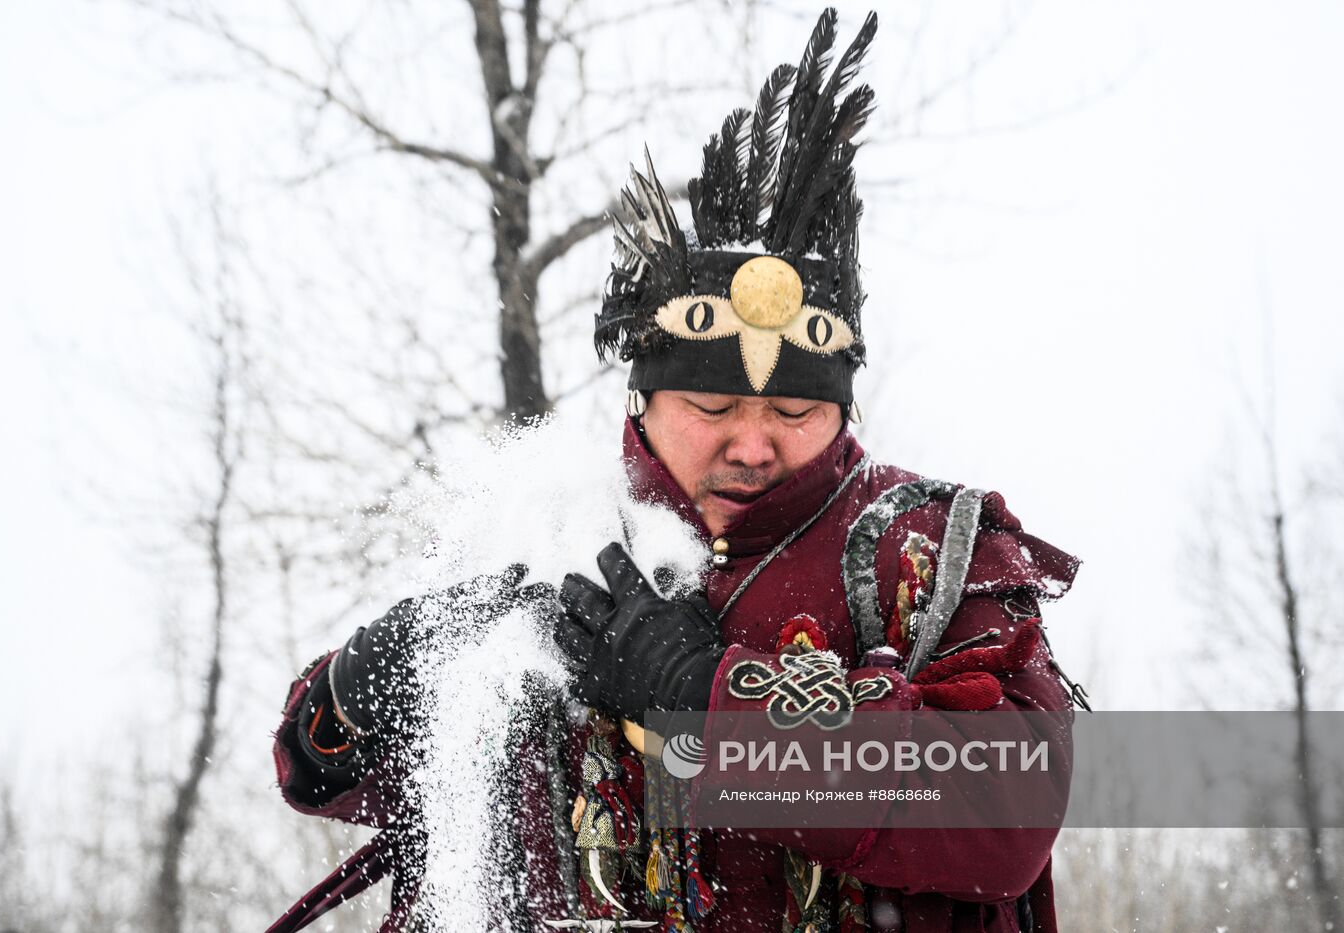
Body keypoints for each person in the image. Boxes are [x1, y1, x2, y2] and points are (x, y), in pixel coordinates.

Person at [268, 9, 1081, 932]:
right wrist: (362, 687)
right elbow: (325, 774)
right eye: (712, 409)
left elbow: (1008, 806)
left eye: (793, 411)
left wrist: (711, 702)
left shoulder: (924, 553)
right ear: (640, 401)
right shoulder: (546, 522)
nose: (753, 442)